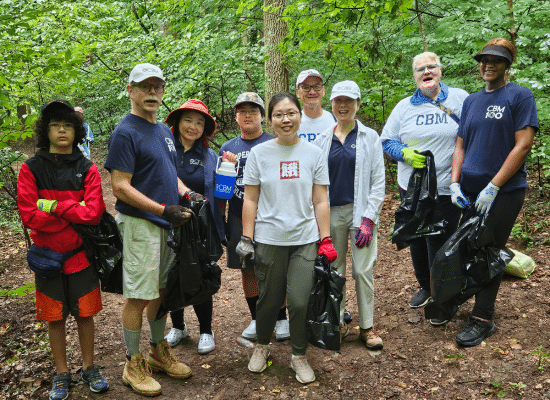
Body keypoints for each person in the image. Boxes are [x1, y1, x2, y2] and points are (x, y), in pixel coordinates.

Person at [105, 63, 200, 396]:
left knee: (160, 291)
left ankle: (158, 351)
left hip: (164, 225)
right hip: (139, 225)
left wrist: (187, 193)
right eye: (145, 87)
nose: (152, 93)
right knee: (139, 295)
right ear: (131, 91)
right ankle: (133, 363)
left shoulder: (161, 130)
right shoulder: (125, 132)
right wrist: (163, 209)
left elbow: (167, 173)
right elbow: (119, 185)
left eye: (157, 87)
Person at [237, 92, 337, 384]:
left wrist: (326, 237)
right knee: (268, 301)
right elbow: (251, 199)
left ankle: (299, 355)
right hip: (269, 238)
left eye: (291, 113)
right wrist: (247, 236)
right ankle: (262, 346)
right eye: (279, 114)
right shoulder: (260, 154)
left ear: (299, 116)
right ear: (270, 119)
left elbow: (320, 200)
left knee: (298, 301)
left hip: (304, 238)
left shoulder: (314, 154)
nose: (285, 119)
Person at [17, 100, 109, 400]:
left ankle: (89, 367)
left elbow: (94, 213)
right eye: (56, 125)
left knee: (85, 314)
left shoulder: (87, 168)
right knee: (54, 317)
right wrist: (73, 210)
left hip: (82, 256)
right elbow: (30, 216)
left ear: (76, 130)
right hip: (47, 259)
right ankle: (61, 373)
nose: (62, 130)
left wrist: (54, 207)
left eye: (68, 125)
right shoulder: (31, 168)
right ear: (46, 130)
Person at [450, 38, 538, 346]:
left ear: (507, 64)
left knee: (490, 251)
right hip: (470, 190)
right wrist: (454, 183)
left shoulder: (519, 96)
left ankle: (483, 318)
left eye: (497, 60)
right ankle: (465, 300)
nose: (489, 64)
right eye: (485, 59)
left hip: (504, 191)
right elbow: (460, 144)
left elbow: (523, 144)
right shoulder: (472, 101)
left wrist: (494, 185)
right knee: (468, 248)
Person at [380, 52, 469, 322]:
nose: (426, 72)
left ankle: (444, 297)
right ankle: (425, 286)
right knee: (417, 239)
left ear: (441, 70)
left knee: (442, 243)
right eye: (421, 69)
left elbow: (472, 134)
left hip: (447, 187)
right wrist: (404, 153)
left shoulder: (461, 99)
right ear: (415, 75)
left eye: (432, 67)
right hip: (413, 189)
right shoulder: (404, 107)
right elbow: (387, 140)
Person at [313, 81, 385, 349]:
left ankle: (367, 327)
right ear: (331, 104)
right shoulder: (322, 140)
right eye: (337, 101)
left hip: (361, 215)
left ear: (358, 104)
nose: (342, 106)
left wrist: (369, 218)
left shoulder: (370, 137)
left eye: (349, 101)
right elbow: (316, 182)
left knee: (363, 270)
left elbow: (378, 181)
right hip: (330, 215)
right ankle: (338, 324)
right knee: (335, 271)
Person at [218, 92, 291, 342]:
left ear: (262, 116)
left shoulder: (276, 142)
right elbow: (224, 191)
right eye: (242, 111)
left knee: (276, 269)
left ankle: (282, 319)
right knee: (247, 268)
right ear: (236, 118)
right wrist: (222, 222)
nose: (247, 115)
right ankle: (257, 318)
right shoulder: (227, 148)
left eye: (252, 110)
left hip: (271, 215)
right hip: (239, 215)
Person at [162, 99, 226, 354]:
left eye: (200, 122)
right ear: (177, 123)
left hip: (199, 228)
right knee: (170, 274)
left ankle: (206, 330)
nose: (193, 126)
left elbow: (223, 192)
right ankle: (178, 326)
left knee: (200, 275)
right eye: (189, 120)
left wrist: (229, 165)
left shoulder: (210, 156)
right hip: (167, 221)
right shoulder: (165, 150)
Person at [295, 69, 336, 143]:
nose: (312, 92)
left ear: (323, 90)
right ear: (297, 92)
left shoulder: (336, 121)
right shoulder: (292, 122)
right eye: (306, 87)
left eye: (316, 87)